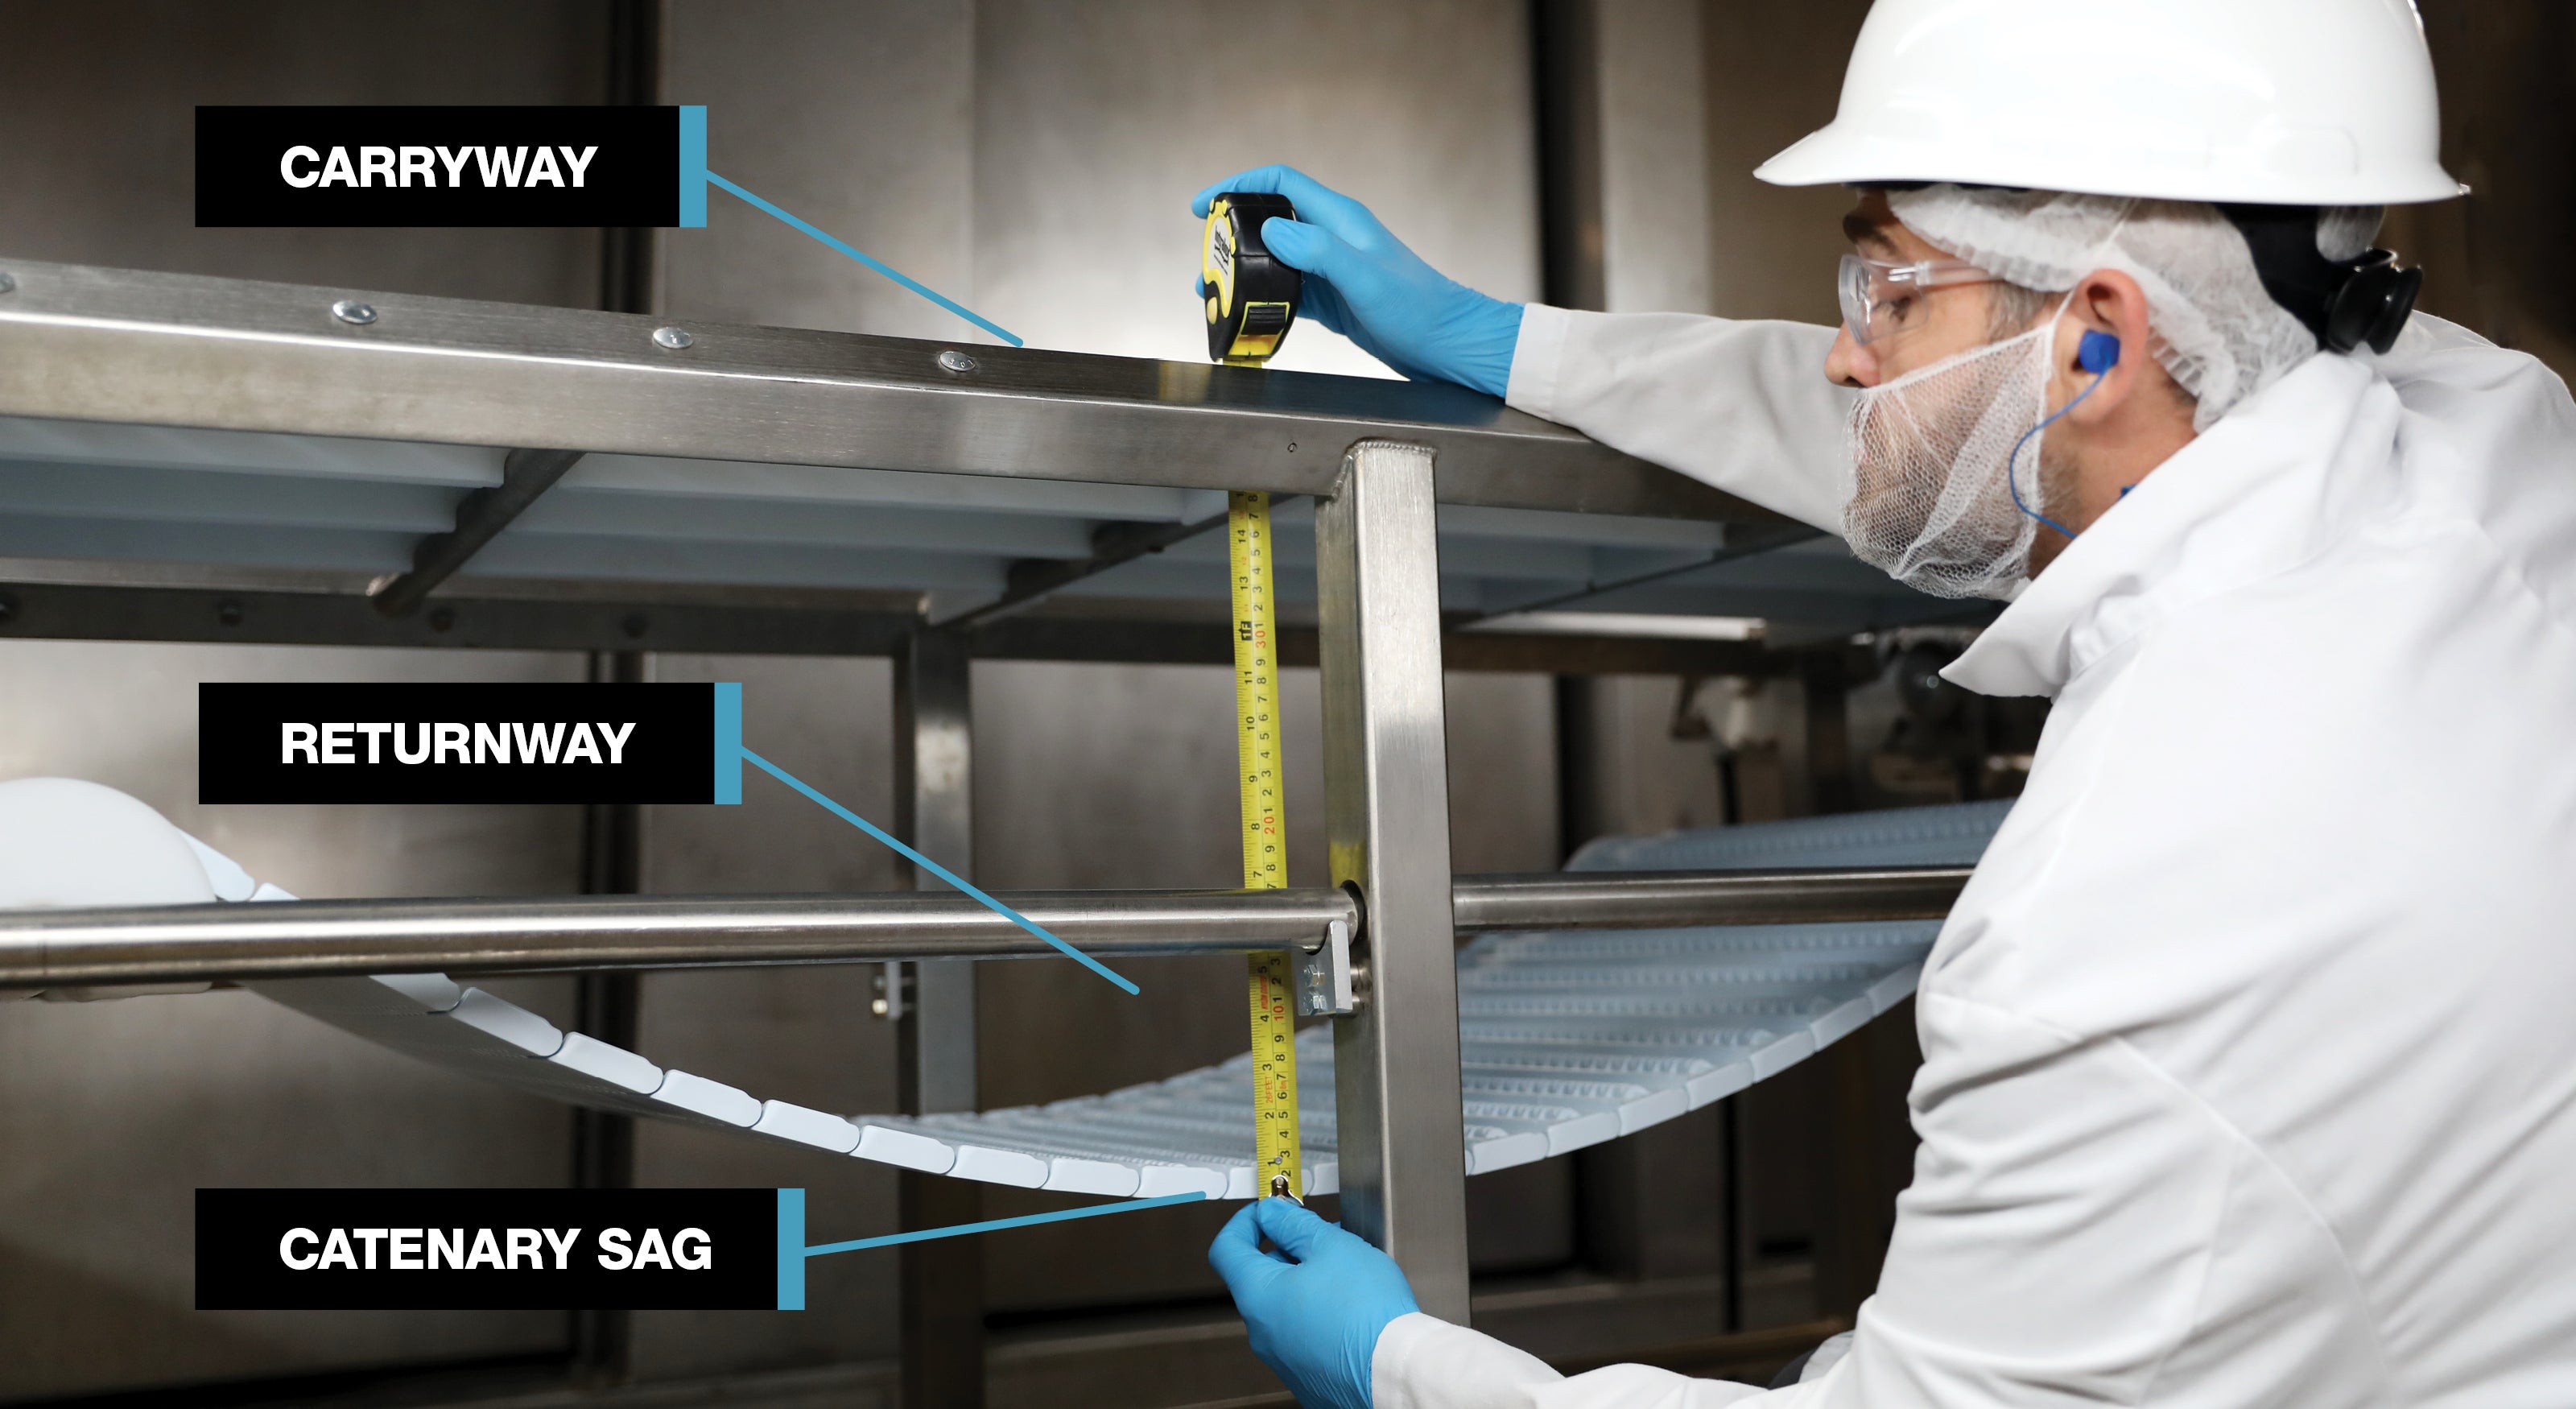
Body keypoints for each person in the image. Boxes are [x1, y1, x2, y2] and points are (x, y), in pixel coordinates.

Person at [1201, 1, 2576, 1404]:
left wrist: (1402, 1369)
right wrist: (1501, 342)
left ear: (2099, 339)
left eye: (1880, 291)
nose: (1843, 356)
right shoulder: (2498, 438)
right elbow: (1955, 422)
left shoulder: (2124, 918)